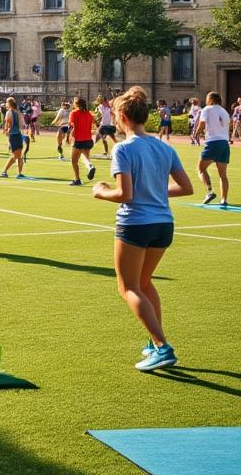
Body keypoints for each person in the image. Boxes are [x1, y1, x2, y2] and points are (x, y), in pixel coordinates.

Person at [92, 86, 193, 372]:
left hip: (135, 223)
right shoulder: (164, 146)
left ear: (122, 116)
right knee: (145, 282)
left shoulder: (122, 148)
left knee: (128, 287)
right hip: (164, 224)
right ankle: (154, 342)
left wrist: (101, 191)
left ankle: (162, 347)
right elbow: (186, 187)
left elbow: (124, 193)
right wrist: (154, 190)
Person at [194, 92, 232, 207]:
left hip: (212, 142)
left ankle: (210, 191)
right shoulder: (224, 111)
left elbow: (202, 123)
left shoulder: (207, 109)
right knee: (223, 175)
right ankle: (223, 199)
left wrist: (196, 134)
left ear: (210, 99)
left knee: (200, 169)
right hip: (224, 143)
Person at [68, 97, 98, 186]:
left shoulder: (74, 113)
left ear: (77, 104)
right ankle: (90, 166)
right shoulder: (89, 114)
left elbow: (72, 127)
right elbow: (93, 125)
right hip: (88, 140)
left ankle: (77, 180)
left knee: (73, 161)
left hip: (79, 140)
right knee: (85, 157)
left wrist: (69, 137)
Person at [0, 96, 27, 179]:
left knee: (16, 155)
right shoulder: (17, 112)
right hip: (18, 134)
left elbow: (9, 123)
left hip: (14, 134)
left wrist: (7, 131)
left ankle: (7, 172)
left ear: (9, 103)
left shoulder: (9, 112)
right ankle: (17, 173)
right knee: (18, 155)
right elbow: (22, 124)